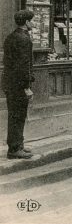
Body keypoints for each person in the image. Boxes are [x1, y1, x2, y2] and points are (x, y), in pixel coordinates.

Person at [2, 10, 35, 159]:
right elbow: (23, 65)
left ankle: (17, 144)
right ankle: (15, 149)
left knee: (15, 115)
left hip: (10, 83)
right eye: (32, 21)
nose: (33, 23)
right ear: (27, 22)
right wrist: (26, 87)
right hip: (18, 85)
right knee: (18, 116)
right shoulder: (23, 39)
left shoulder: (11, 37)